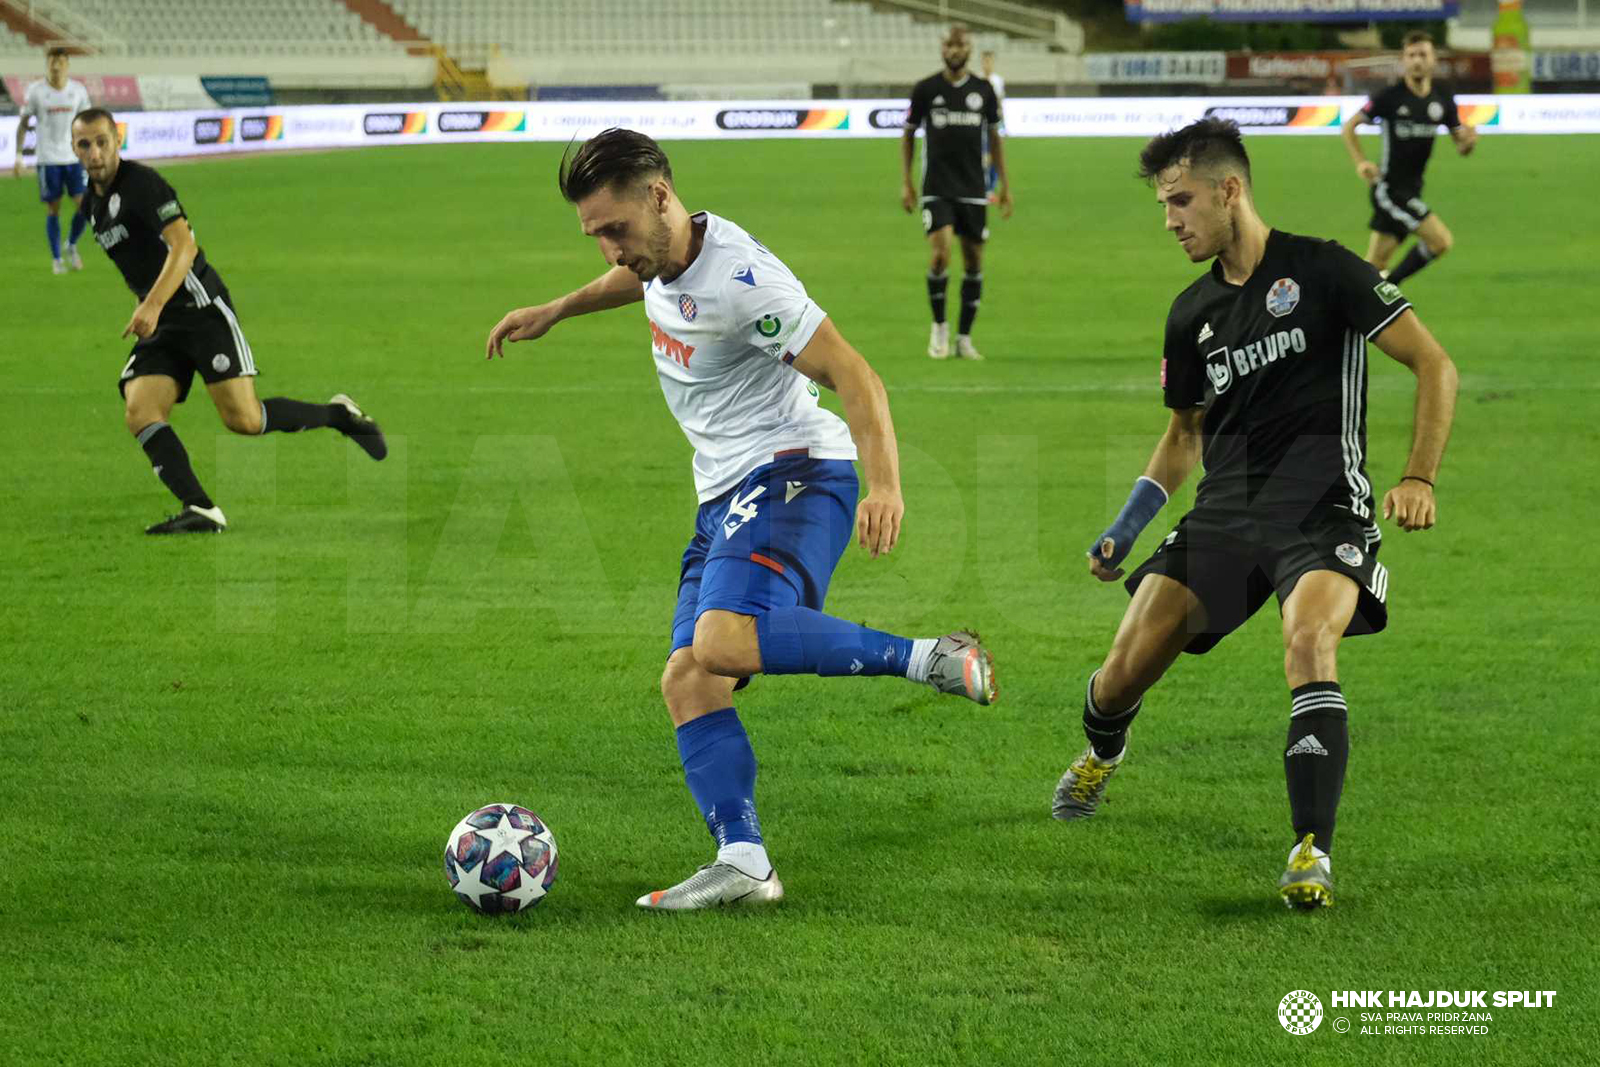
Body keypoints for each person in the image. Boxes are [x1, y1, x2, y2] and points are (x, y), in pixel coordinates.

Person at [486, 128, 998, 911]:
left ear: (660, 197)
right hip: (723, 492)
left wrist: (885, 485)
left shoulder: (744, 280)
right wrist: (557, 309)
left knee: (720, 640)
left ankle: (929, 655)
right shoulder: (665, 256)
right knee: (690, 676)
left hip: (796, 470)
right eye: (594, 236)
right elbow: (643, 285)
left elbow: (856, 374)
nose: (610, 252)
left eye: (615, 230)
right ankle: (745, 860)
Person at [1053, 119, 1458, 910]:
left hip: (1323, 510)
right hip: (1224, 513)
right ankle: (1104, 750)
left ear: (1229, 190)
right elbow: (1182, 435)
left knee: (1309, 641)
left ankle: (1312, 849)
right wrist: (1128, 525)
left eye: (1181, 201)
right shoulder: (1191, 312)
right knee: (1118, 676)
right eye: (1165, 205)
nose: (1171, 220)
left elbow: (1434, 363)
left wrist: (1419, 477)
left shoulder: (1325, 268)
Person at [71, 108, 387, 535]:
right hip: (162, 320)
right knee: (140, 408)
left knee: (245, 420)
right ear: (74, 148)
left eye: (101, 142)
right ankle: (200, 509)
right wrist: (149, 307)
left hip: (200, 310)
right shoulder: (92, 204)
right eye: (84, 144)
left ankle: (339, 416)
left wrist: (152, 305)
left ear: (117, 140)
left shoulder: (143, 185)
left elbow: (183, 247)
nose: (94, 153)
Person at [901, 24, 1012, 361]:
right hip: (936, 187)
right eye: (949, 44)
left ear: (969, 48)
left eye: (960, 45)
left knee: (975, 261)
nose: (954, 50)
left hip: (974, 188)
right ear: (942, 47)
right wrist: (906, 182)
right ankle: (939, 329)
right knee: (940, 254)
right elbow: (907, 134)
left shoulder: (984, 91)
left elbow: (995, 138)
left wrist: (1005, 184)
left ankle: (964, 338)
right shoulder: (925, 89)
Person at [1340, 30, 1476, 285]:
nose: (1417, 60)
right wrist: (1361, 162)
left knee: (1374, 266)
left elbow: (1461, 145)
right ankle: (1390, 290)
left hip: (1412, 190)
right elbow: (1349, 127)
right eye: (1411, 55)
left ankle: (1348, 311)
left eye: (1422, 54)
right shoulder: (1390, 97)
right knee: (1441, 241)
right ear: (1403, 60)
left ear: (1433, 59)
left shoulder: (1443, 98)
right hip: (1390, 190)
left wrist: (1468, 143)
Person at [15, 48, 92, 275]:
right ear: (46, 64)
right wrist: (19, 156)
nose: (55, 66)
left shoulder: (78, 91)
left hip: (73, 158)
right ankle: (57, 259)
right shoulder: (36, 91)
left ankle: (71, 244)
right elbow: (23, 123)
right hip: (48, 160)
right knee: (53, 209)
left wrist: (89, 153)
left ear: (67, 64)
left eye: (60, 61)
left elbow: (86, 125)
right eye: (51, 61)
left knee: (85, 207)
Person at [979, 50, 1006, 201]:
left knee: (996, 155)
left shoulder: (998, 80)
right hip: (981, 124)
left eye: (989, 61)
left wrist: (1004, 125)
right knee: (983, 157)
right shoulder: (977, 80)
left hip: (995, 124)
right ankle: (984, 188)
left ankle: (990, 189)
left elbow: (1000, 104)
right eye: (984, 61)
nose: (987, 64)